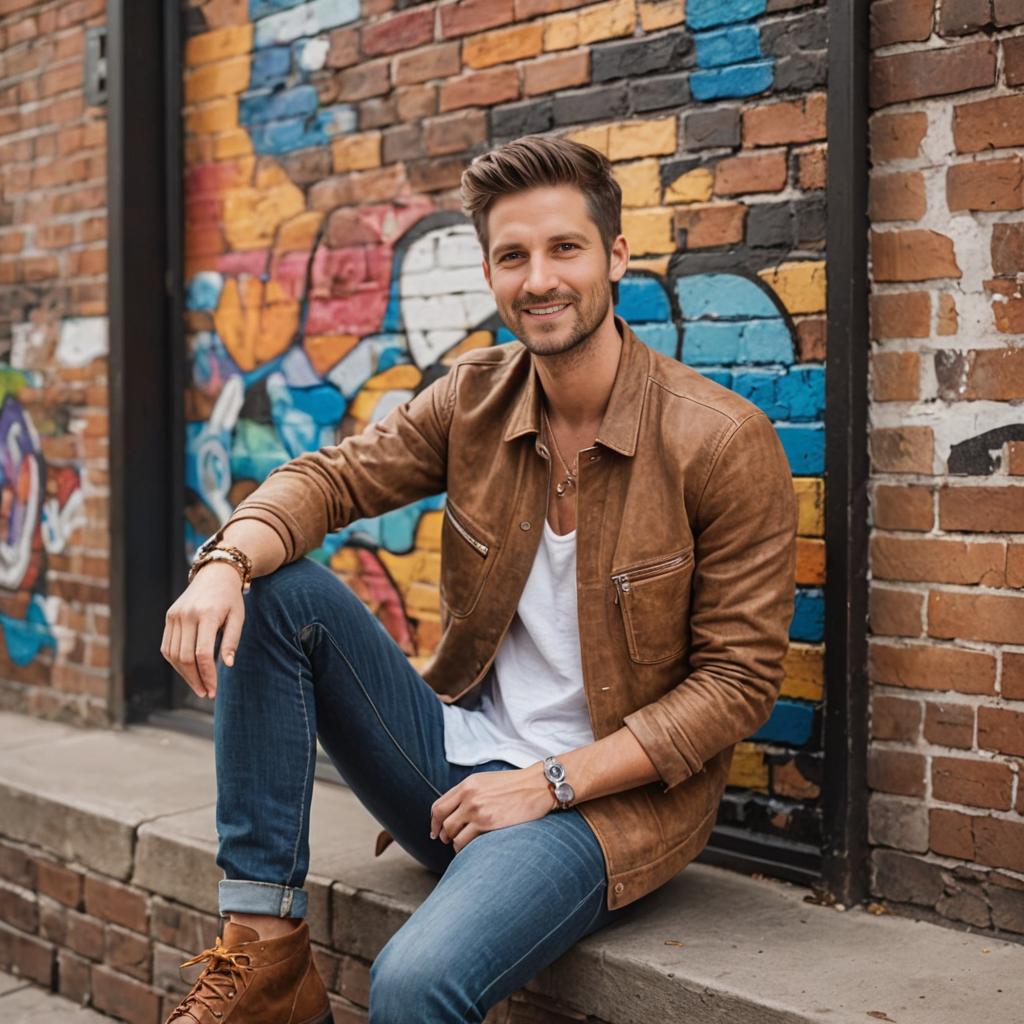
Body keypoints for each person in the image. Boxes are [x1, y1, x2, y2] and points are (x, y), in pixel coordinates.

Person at [160, 134, 798, 1024]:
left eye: (564, 248)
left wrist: (545, 785)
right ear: (491, 272)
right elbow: (331, 477)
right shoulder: (475, 397)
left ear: (616, 256)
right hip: (456, 763)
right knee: (277, 593)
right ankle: (266, 955)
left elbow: (737, 684)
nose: (539, 278)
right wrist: (224, 561)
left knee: (416, 984)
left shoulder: (721, 442)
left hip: (599, 808)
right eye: (512, 256)